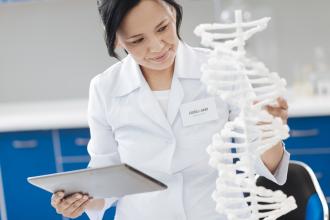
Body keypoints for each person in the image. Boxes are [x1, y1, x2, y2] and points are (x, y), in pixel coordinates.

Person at [50, 0, 290, 219]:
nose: (156, 47)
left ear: (173, 13)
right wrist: (80, 203)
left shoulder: (223, 70)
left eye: (162, 28)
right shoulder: (105, 89)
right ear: (117, 40)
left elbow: (264, 167)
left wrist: (269, 132)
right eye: (137, 40)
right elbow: (106, 181)